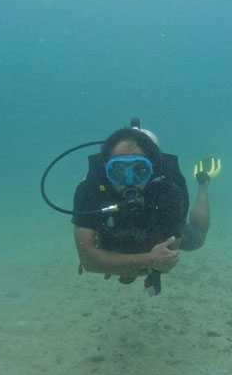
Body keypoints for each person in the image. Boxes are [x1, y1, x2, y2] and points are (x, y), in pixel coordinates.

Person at [71, 124, 220, 290]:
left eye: (140, 170)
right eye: (118, 170)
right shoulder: (90, 190)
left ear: (152, 169)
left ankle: (203, 182)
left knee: (197, 240)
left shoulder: (168, 192)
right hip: (119, 238)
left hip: (156, 229)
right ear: (106, 169)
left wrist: (116, 263)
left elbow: (166, 261)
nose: (129, 180)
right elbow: (89, 262)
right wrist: (149, 259)